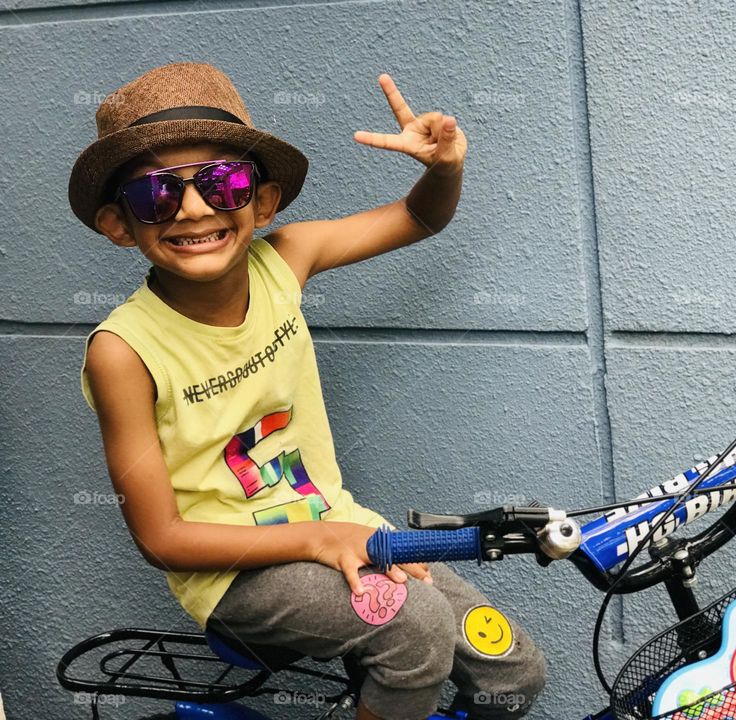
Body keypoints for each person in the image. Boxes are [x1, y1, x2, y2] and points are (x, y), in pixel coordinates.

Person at [70, 61, 546, 720]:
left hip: (338, 528)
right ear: (119, 224)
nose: (197, 207)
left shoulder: (286, 259)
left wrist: (442, 169)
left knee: (511, 671)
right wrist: (318, 540)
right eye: (156, 195)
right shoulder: (123, 351)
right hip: (237, 578)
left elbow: (418, 218)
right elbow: (161, 539)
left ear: (262, 202)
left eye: (223, 182)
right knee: (416, 631)